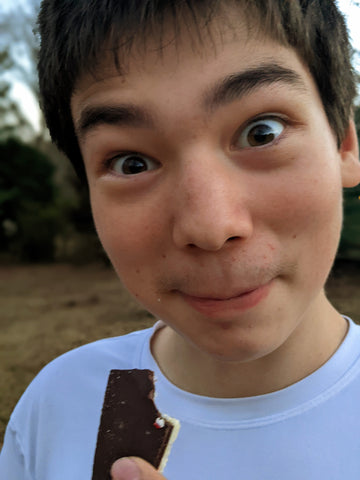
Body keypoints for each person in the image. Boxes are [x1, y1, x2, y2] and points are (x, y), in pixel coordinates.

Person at [1, 0, 360, 479]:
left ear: (344, 144)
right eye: (132, 163)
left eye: (261, 132)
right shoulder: (57, 404)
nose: (210, 228)